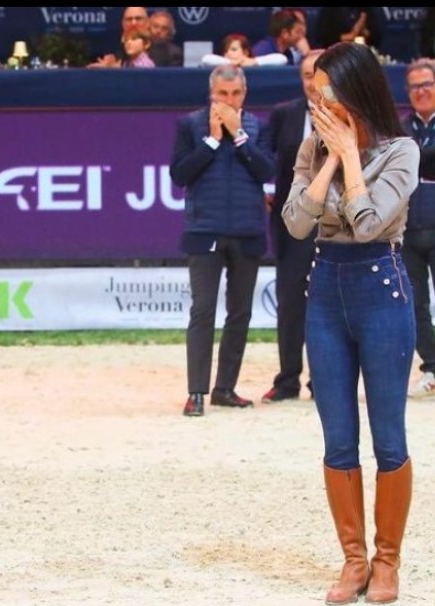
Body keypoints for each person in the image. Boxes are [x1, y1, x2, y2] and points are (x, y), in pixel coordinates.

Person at [282, 42, 419, 603]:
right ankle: (353, 560)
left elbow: (367, 224)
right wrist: (331, 158)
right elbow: (295, 223)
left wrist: (353, 158)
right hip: (325, 295)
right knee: (338, 438)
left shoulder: (402, 151)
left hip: (381, 291)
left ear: (355, 92)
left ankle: (387, 562)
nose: (318, 101)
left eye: (327, 91)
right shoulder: (313, 148)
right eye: (315, 92)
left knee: (388, 436)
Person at [169, 64, 275, 417]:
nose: (229, 100)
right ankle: (196, 392)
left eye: (235, 94)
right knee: (202, 311)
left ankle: (225, 389)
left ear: (244, 94)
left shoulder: (259, 126)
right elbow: (180, 173)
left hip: (247, 230)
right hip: (205, 230)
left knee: (240, 313)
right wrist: (213, 140)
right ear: (211, 94)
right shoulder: (190, 125)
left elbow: (266, 170)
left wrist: (239, 136)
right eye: (222, 94)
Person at [260, 48, 325, 404]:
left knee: (330, 305)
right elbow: (268, 158)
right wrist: (267, 187)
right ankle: (288, 380)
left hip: (337, 225)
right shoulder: (284, 114)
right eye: (305, 75)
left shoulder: (349, 114)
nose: (311, 81)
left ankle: (325, 380)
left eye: (318, 73)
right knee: (289, 304)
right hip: (293, 224)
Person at [401, 58, 435, 398]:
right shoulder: (398, 128)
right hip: (408, 230)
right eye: (415, 86)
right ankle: (431, 366)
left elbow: (412, 160)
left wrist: (417, 158)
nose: (422, 91)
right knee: (415, 304)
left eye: (427, 84)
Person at [314, 8, 385, 50]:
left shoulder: (368, 9)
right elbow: (321, 36)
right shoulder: (329, 10)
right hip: (335, 55)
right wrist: (349, 36)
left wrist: (364, 31)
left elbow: (377, 37)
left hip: (363, 54)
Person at [201, 33, 287, 67]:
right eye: (226, 51)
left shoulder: (254, 64)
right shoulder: (221, 65)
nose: (228, 53)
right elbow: (205, 59)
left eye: (234, 49)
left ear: (245, 52)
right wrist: (232, 63)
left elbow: (282, 59)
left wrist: (254, 61)